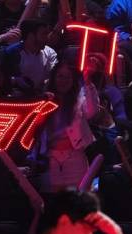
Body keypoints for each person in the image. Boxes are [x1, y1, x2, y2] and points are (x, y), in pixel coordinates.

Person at [28, 62, 99, 192]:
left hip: (75, 159)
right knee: (55, 203)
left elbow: (91, 111)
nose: (63, 80)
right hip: (51, 160)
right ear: (54, 78)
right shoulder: (44, 100)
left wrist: (88, 83)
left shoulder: (79, 98)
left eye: (68, 77)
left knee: (78, 201)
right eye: (60, 76)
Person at [0, 19, 58, 97]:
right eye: (44, 34)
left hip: (41, 96)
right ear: (31, 36)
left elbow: (53, 78)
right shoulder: (11, 53)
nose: (47, 38)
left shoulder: (50, 53)